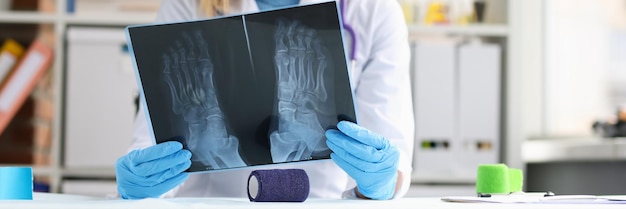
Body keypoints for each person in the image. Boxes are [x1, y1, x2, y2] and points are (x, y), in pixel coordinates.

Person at [115, 0, 414, 200]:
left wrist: (380, 183)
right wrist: (142, 187)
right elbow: (152, 142)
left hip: (322, 202)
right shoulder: (188, 4)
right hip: (210, 204)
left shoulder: (373, 9)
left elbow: (392, 158)